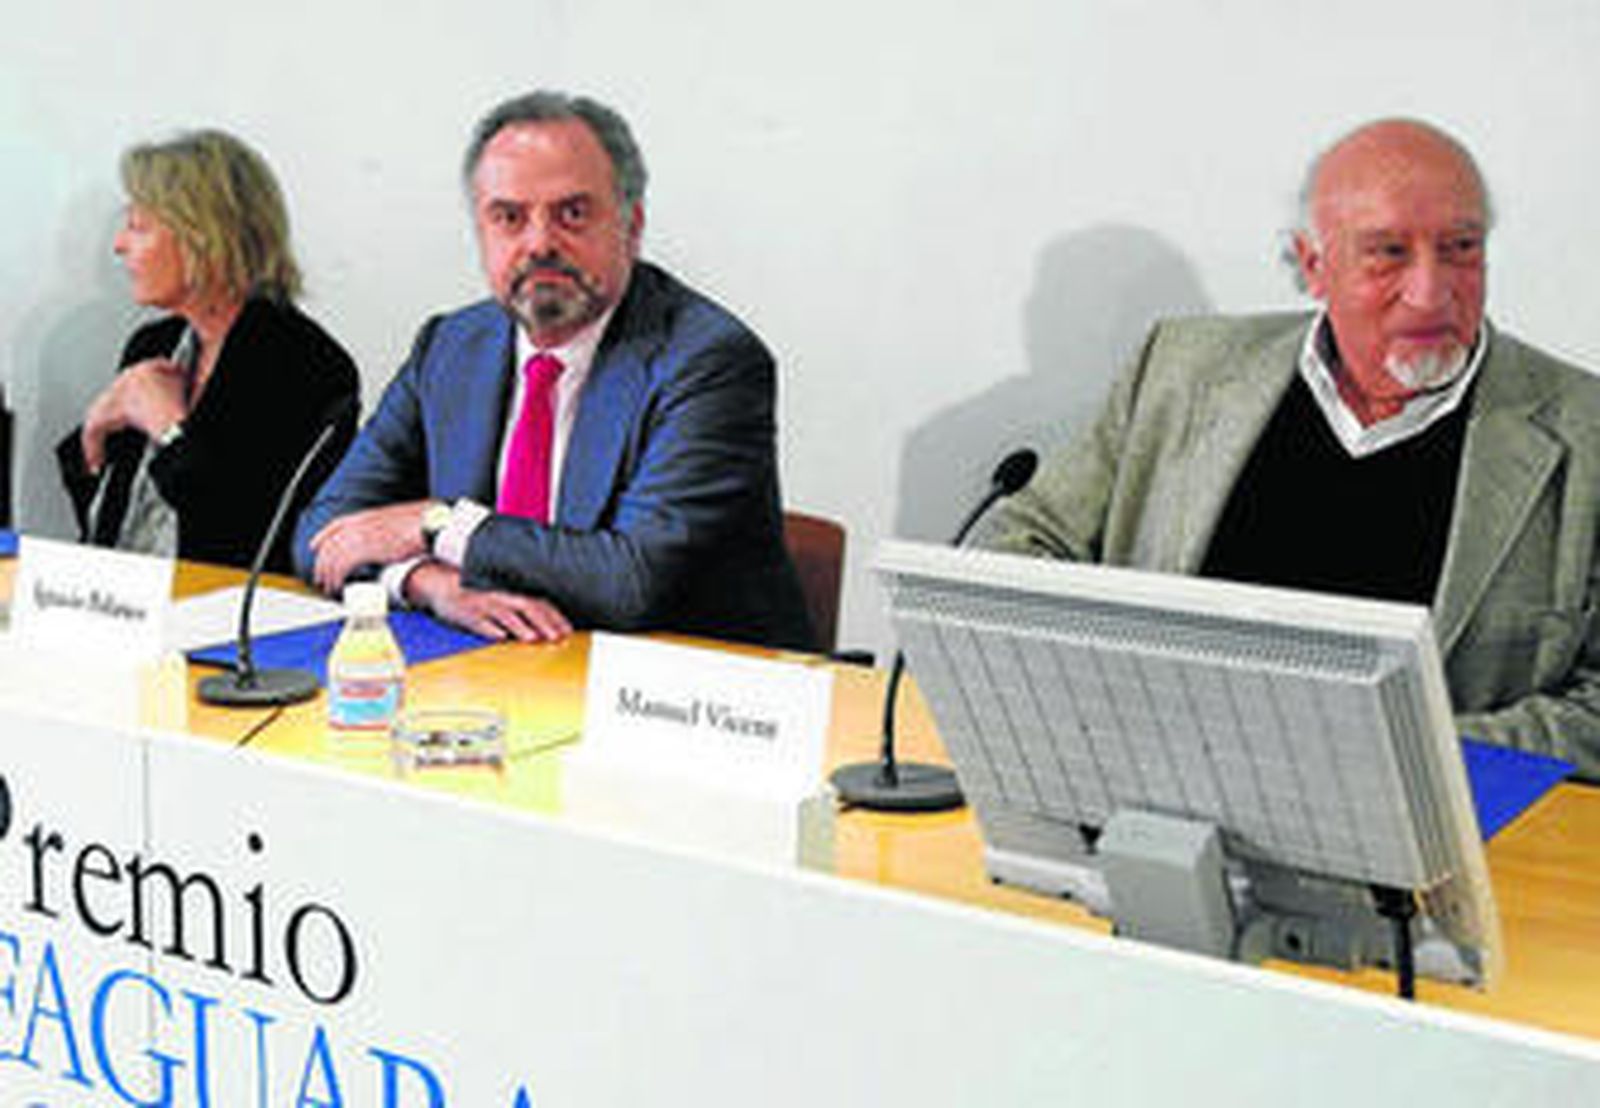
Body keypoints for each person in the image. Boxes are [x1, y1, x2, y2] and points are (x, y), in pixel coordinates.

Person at [978, 118, 1600, 779]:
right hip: (1162, 796)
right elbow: (1024, 543)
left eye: (1460, 248)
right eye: (1388, 252)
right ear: (1313, 266)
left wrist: (1404, 757)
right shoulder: (1182, 370)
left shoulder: (1582, 432)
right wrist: (1120, 701)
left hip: (1437, 834)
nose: (1430, 290)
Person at [293, 91, 812, 650]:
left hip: (680, 699)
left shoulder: (707, 361)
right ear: (481, 232)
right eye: (509, 218)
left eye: (572, 214)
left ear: (631, 226)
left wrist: (438, 524)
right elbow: (322, 533)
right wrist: (429, 584)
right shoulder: (449, 349)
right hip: (500, 679)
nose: (539, 243)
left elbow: (630, 583)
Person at [56, 129, 359, 573]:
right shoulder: (153, 345)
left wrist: (168, 429)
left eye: (139, 226)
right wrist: (92, 437)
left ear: (203, 237)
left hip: (228, 623)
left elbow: (247, 537)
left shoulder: (306, 364)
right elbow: (107, 533)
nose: (119, 245)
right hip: (126, 611)